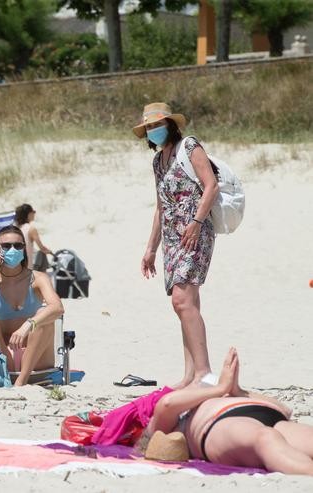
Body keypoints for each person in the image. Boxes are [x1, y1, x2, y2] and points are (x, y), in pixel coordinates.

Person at [135, 102, 220, 388]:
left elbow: (211, 185)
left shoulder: (189, 146)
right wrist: (150, 248)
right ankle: (191, 373)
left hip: (195, 230)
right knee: (186, 303)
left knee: (181, 300)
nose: (153, 130)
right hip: (172, 238)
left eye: (157, 125)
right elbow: (161, 208)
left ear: (170, 124)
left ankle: (205, 371)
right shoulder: (158, 161)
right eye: (149, 127)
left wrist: (196, 222)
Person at [141, 347, 313, 475]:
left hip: (269, 415)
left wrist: (237, 391)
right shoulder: (163, 428)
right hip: (218, 424)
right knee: (265, 438)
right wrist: (220, 388)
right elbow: (167, 404)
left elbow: (285, 409)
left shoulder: (213, 395)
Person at [0, 225, 64, 386]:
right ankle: (8, 375)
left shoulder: (38, 278)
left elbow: (58, 308)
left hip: (37, 361)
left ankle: (21, 381)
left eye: (18, 245)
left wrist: (28, 324)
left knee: (43, 314)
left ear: (24, 249)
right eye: (6, 246)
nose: (13, 249)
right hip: (4, 359)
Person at [13, 204, 53, 270]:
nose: (34, 214)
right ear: (28, 214)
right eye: (33, 212)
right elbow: (42, 248)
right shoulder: (31, 229)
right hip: (27, 267)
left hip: (15, 265)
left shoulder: (16, 229)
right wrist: (49, 251)